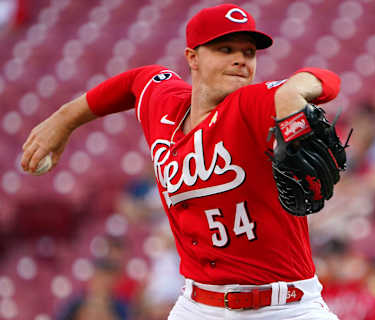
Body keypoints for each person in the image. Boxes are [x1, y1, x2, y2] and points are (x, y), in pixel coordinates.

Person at [21, 4, 342, 319]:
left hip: (287, 307)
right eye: (225, 48)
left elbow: (325, 80)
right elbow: (133, 82)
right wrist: (64, 120)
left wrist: (292, 91)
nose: (240, 61)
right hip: (199, 306)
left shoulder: (253, 103)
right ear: (192, 58)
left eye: (249, 53)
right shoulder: (163, 104)